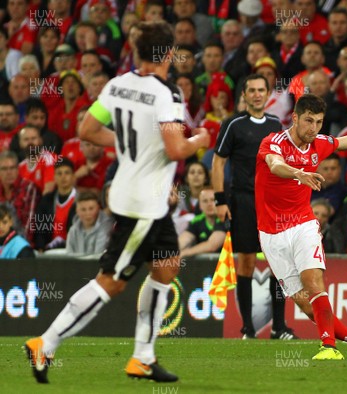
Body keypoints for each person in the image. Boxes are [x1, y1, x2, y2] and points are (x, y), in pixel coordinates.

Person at [25, 21, 210, 384]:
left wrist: (130, 145)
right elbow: (175, 149)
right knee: (111, 281)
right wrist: (199, 140)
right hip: (143, 206)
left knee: (167, 267)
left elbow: (87, 131)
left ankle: (143, 356)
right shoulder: (167, 93)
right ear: (168, 54)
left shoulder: (117, 84)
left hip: (141, 199)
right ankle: (44, 343)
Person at [255, 93, 347, 360]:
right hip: (271, 232)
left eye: (318, 122)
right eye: (308, 121)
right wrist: (298, 172)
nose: (313, 128)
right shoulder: (274, 142)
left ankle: (329, 347)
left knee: (313, 281)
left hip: (303, 223)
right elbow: (275, 164)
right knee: (306, 304)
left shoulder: (319, 143)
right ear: (294, 118)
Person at [212, 73, 296, 340]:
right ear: (245, 95)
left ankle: (279, 327)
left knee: (278, 262)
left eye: (262, 90)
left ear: (267, 93)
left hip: (271, 202)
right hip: (244, 201)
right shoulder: (232, 124)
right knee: (246, 261)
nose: (258, 94)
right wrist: (220, 200)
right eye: (253, 90)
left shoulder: (275, 124)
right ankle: (248, 328)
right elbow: (218, 163)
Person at [178, 188, 226, 257]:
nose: (209, 204)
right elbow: (183, 240)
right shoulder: (196, 221)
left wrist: (184, 253)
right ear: (200, 205)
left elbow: (212, 245)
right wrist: (169, 252)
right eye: (205, 201)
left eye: (213, 200)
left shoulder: (224, 218)